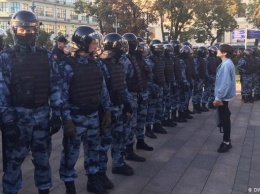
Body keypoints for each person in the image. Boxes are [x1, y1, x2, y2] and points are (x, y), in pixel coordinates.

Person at [0, 10, 62, 194]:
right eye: (22, 30)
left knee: (43, 161)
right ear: (14, 31)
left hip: (42, 118)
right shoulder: (5, 58)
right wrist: (8, 120)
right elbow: (1, 91)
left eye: (31, 30)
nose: (27, 33)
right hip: (17, 121)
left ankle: (44, 190)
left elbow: (56, 85)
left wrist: (57, 114)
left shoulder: (46, 56)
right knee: (13, 163)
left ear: (37, 30)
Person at [58, 25, 112, 194]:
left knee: (93, 151)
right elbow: (61, 96)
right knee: (70, 155)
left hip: (93, 116)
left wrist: (107, 110)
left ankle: (93, 181)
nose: (96, 45)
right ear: (83, 43)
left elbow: (102, 90)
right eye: (93, 42)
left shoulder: (95, 65)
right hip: (76, 118)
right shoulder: (66, 66)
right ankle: (69, 186)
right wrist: (66, 120)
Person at [214, 44, 236, 153]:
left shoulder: (226, 64)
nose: (217, 51)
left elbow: (225, 83)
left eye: (219, 50)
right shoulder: (226, 63)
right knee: (224, 117)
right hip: (224, 96)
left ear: (225, 53)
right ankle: (226, 140)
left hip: (223, 97)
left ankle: (226, 142)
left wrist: (218, 98)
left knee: (225, 119)